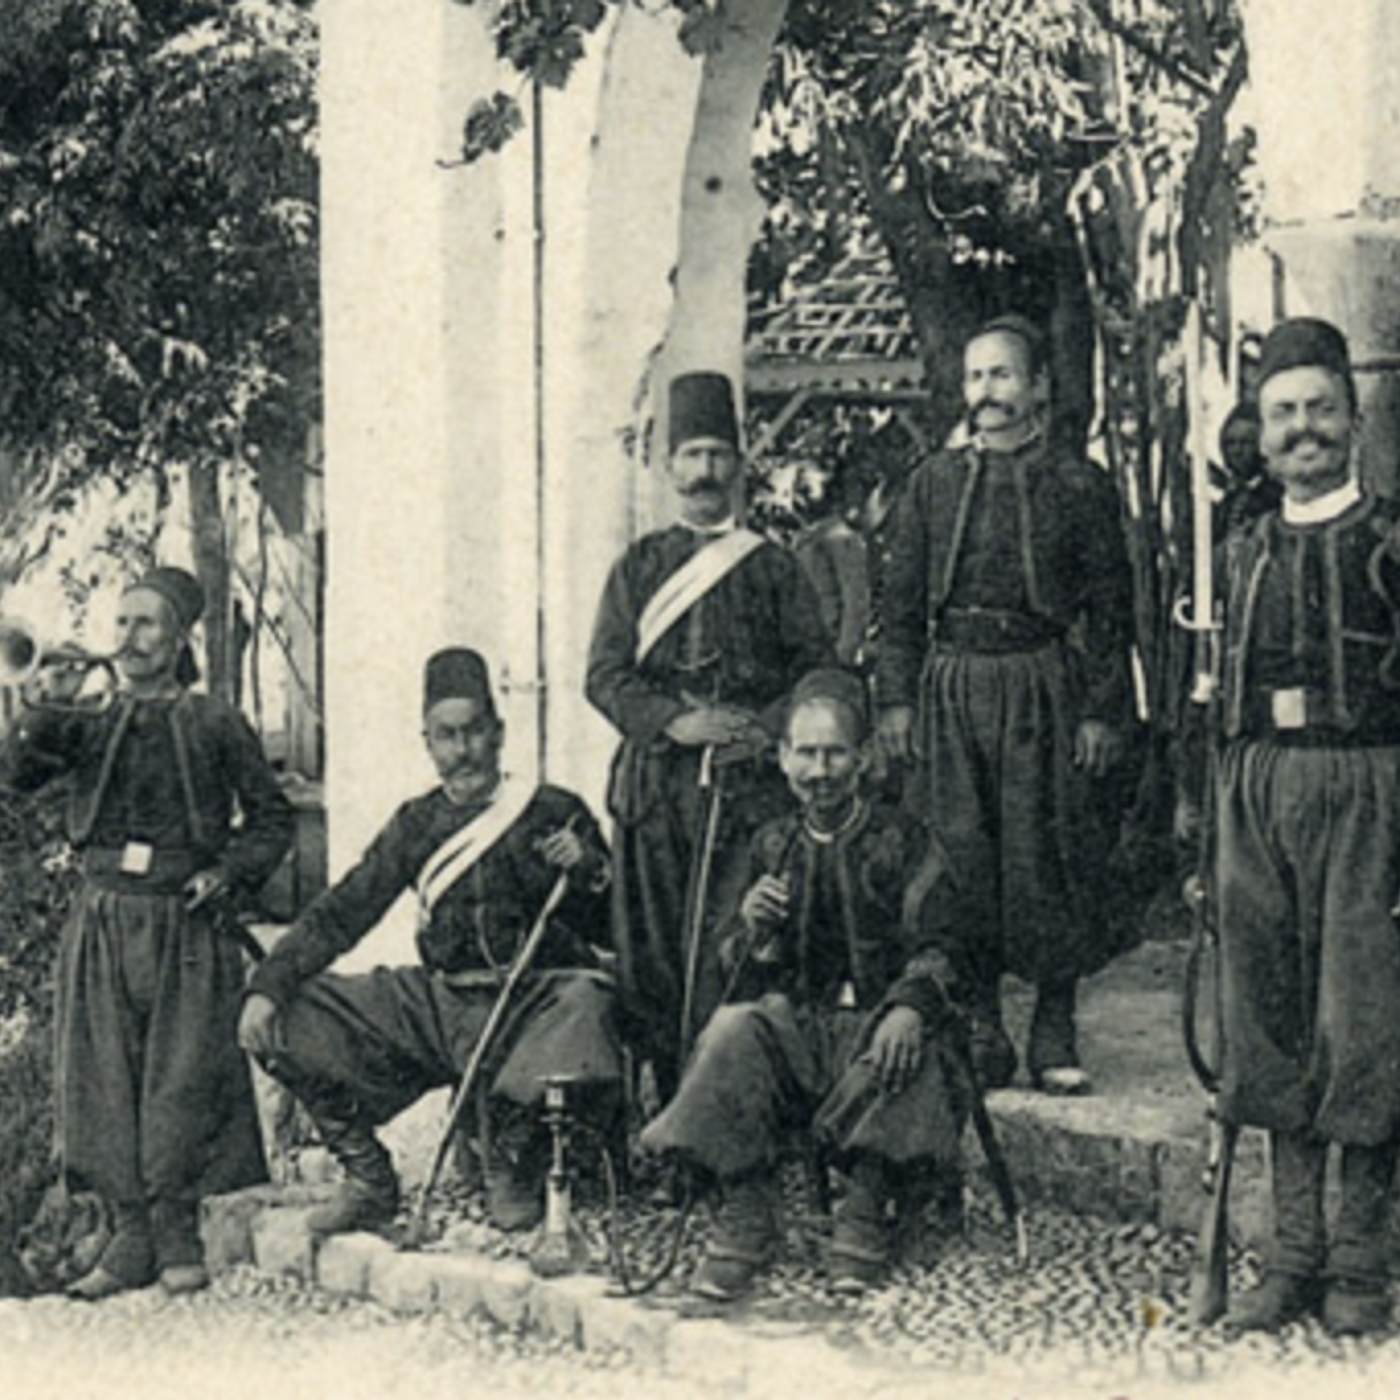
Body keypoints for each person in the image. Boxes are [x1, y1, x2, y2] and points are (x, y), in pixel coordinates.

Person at [239, 648, 621, 1235]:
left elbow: (613, 931)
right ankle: (369, 1177)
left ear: (498, 733)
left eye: (474, 732)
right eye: (446, 736)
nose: (462, 751)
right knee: (289, 1015)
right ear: (427, 742)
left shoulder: (552, 810)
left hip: (531, 1004)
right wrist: (269, 985)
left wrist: (590, 870)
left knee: (588, 998)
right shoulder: (416, 824)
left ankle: (511, 1155)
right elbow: (343, 912)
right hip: (441, 1006)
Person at [0, 566, 294, 1298]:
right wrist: (41, 702)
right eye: (122, 623)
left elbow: (272, 820)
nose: (129, 639)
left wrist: (227, 874)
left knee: (182, 1074)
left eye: (147, 624)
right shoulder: (87, 717)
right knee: (102, 1075)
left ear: (178, 638)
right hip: (104, 916)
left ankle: (176, 1229)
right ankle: (128, 1237)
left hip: (184, 921)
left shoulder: (215, 721)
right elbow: (15, 776)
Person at [641, 667, 966, 1299]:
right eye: (807, 754)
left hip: (879, 1031)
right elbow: (734, 967)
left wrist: (910, 1006)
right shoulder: (771, 844)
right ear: (784, 759)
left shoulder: (903, 839)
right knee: (731, 1028)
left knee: (909, 1044)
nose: (821, 772)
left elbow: (946, 944)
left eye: (835, 753)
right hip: (806, 1034)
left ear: (864, 758)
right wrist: (754, 932)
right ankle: (747, 1205)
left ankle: (866, 1205)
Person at [876, 315, 1134, 1094]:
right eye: (976, 376)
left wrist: (1102, 710)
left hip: (1040, 685)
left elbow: (1113, 610)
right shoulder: (932, 483)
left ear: (1039, 386)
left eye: (1003, 374)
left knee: (1045, 850)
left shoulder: (1079, 484)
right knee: (963, 855)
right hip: (952, 687)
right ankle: (981, 1022)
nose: (987, 391)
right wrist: (897, 702)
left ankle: (1054, 1023)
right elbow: (899, 606)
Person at [1210, 318, 1400, 1337]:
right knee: (1269, 1024)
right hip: (1257, 791)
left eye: (1319, 408)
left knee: (1361, 1026)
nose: (1301, 429)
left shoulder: (1391, 542)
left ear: (1353, 419)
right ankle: (1290, 1255)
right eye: (1282, 413)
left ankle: (1360, 1261)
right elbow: (1210, 701)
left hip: (1369, 789)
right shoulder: (1240, 551)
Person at [586, 370, 832, 1098]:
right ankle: (667, 1105)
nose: (705, 471)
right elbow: (603, 675)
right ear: (669, 468)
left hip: (746, 796)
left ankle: (724, 1103)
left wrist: (765, 729)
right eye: (691, 455)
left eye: (718, 455)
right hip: (656, 793)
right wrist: (675, 721)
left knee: (734, 948)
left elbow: (818, 674)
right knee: (654, 957)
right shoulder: (638, 568)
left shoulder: (775, 569)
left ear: (739, 464)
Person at [1213, 400, 1281, 539]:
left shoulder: (1274, 495)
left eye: (1246, 443)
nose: (1237, 451)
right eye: (1230, 443)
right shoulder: (1230, 496)